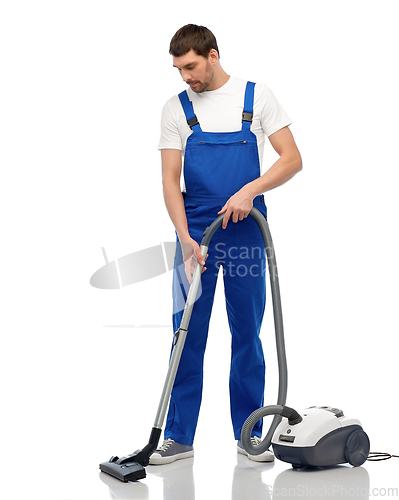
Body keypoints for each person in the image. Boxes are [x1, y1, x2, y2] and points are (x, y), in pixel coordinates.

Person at [150, 24, 302, 465]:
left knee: (247, 336)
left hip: (247, 233)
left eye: (191, 67)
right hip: (195, 231)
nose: (185, 78)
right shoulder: (175, 109)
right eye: (179, 69)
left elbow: (292, 159)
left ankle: (249, 434)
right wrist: (184, 240)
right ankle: (178, 437)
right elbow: (168, 180)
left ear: (213, 56)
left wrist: (250, 190)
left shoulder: (256, 97)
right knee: (185, 334)